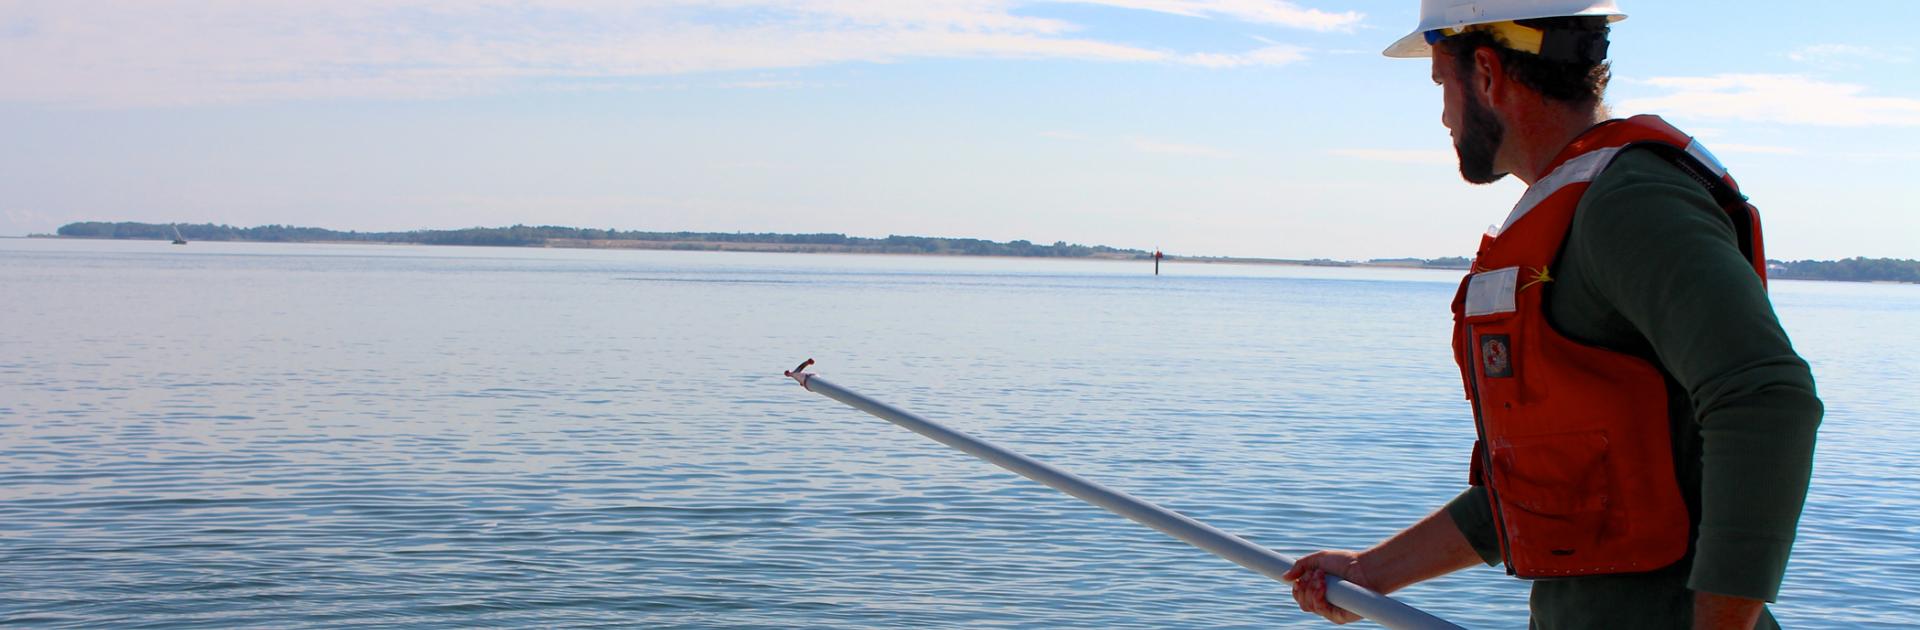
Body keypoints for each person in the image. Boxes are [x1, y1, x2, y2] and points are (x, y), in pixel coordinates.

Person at [1281, 2, 1823, 628]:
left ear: (1486, 73)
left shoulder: (1631, 204)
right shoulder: (1581, 207)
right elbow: (1556, 486)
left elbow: (1764, 398)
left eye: (1441, 83)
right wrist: (1373, 572)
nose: (1443, 114)